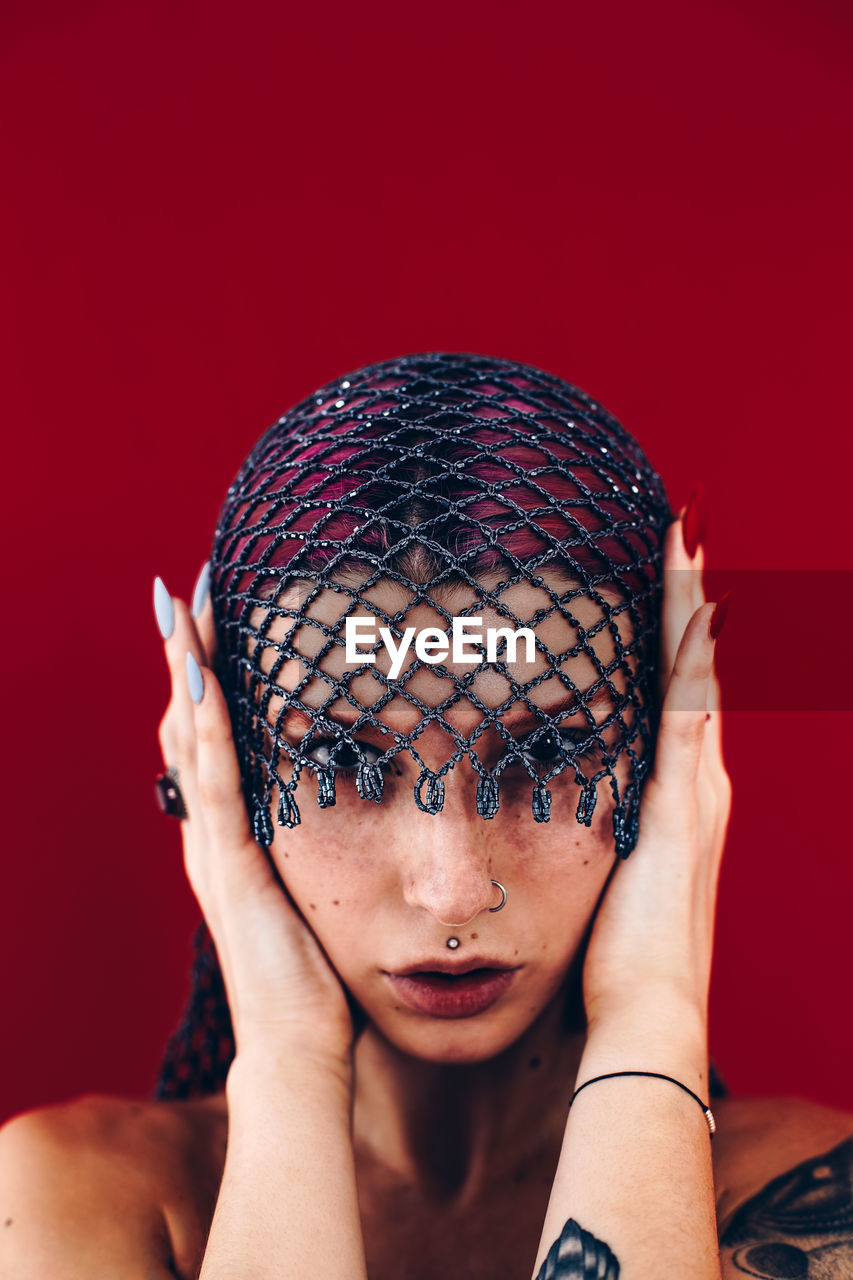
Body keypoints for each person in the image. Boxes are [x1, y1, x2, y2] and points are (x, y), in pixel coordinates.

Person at [1, 353, 852, 1280]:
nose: (452, 892)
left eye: (549, 754)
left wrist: (651, 1015)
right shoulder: (68, 1201)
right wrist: (288, 1065)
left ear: (657, 761)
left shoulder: (811, 1202)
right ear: (228, 777)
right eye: (340, 762)